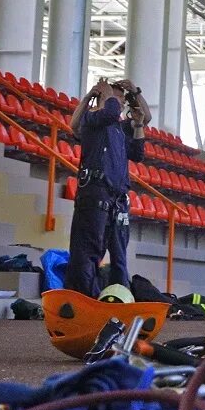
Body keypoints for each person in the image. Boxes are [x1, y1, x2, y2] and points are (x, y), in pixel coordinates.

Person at [64, 78, 149, 298]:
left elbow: (138, 151)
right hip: (96, 192)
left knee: (119, 254)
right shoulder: (94, 120)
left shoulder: (117, 129)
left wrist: (135, 96)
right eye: (117, 99)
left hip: (116, 198)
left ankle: (119, 298)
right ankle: (85, 298)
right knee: (89, 251)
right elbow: (107, 112)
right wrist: (103, 94)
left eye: (121, 100)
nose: (120, 104)